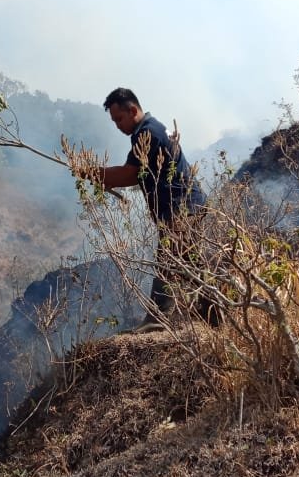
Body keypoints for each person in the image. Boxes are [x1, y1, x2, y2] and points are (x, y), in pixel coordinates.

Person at [86, 87, 211, 329]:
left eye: (119, 119)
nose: (118, 126)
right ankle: (213, 315)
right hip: (184, 207)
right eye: (114, 122)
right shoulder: (146, 131)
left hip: (181, 209)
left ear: (132, 110)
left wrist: (95, 173)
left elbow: (129, 174)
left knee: (168, 263)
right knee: (190, 263)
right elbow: (133, 172)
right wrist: (103, 176)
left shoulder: (149, 133)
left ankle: (156, 321)